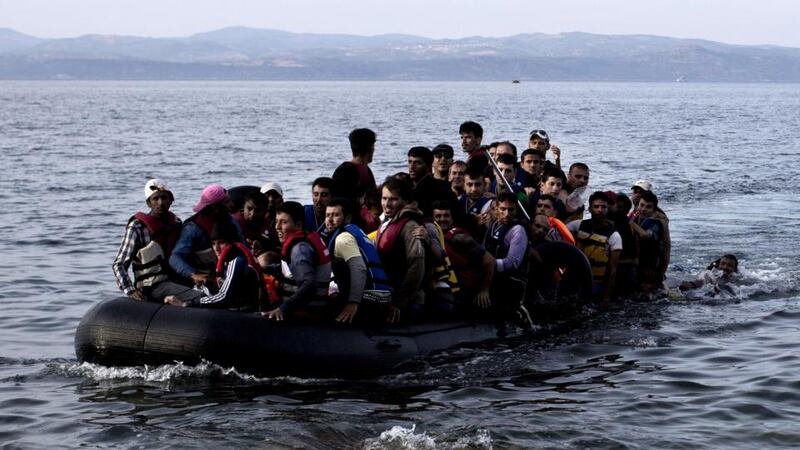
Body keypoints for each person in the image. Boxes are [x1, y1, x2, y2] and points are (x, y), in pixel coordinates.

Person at [112, 179, 203, 304]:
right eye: (155, 199)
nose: (160, 203)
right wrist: (130, 290)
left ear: (171, 201)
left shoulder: (176, 224)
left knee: (210, 292)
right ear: (149, 203)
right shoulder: (137, 227)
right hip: (152, 286)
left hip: (176, 281)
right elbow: (119, 264)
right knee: (201, 297)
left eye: (164, 198)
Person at [165, 220, 262, 309]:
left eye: (221, 243)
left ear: (232, 243)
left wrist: (187, 303)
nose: (216, 248)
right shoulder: (227, 260)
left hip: (241, 313)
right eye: (213, 243)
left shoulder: (237, 261)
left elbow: (223, 297)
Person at [325, 198, 392, 323]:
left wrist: (353, 302)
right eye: (327, 215)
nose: (329, 220)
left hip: (369, 303)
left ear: (347, 218)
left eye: (336, 215)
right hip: (384, 298)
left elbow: (359, 268)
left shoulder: (343, 239)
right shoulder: (359, 233)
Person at [263, 201, 332, 321]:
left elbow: (310, 284)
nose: (277, 227)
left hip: (304, 314)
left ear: (298, 225)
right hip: (309, 309)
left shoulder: (299, 250)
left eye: (284, 222)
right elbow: (292, 270)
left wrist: (282, 309)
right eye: (276, 221)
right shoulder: (304, 241)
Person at [170, 184, 242, 289]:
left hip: (229, 272)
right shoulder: (193, 228)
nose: (231, 205)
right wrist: (193, 275)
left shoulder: (231, 221)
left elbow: (242, 245)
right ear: (215, 207)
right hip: (204, 278)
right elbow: (175, 257)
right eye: (227, 202)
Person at [375, 178, 426, 323]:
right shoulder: (387, 223)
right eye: (384, 198)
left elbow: (417, 265)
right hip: (390, 294)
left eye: (393, 199)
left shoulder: (410, 226)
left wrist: (400, 302)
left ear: (405, 201)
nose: (386, 204)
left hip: (409, 301)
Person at [483, 192, 532, 328]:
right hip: (493, 278)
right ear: (496, 209)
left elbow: (512, 263)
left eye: (511, 210)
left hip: (512, 283)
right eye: (503, 209)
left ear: (516, 210)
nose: (507, 213)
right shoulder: (492, 226)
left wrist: (488, 265)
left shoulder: (518, 231)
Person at [433, 201, 494, 309]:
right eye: (438, 216)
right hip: (450, 284)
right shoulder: (435, 236)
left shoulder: (459, 237)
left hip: (464, 291)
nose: (442, 219)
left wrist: (484, 290)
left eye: (446, 215)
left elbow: (489, 260)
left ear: (452, 218)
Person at [567, 191, 622, 303]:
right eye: (596, 206)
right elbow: (560, 230)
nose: (600, 210)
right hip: (575, 278)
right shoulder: (578, 225)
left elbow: (613, 270)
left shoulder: (614, 236)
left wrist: (606, 296)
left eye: (603, 207)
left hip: (596, 283)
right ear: (590, 209)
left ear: (607, 209)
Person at [407, 146, 458, 219]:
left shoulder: (442, 189)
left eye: (418, 163)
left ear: (428, 166)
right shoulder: (404, 185)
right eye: (410, 162)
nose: (412, 167)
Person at [630, 191, 665, 292]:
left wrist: (631, 223)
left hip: (650, 270)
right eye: (641, 205)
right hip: (637, 267)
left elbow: (645, 235)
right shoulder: (636, 219)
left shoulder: (655, 223)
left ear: (654, 210)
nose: (643, 209)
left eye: (648, 207)